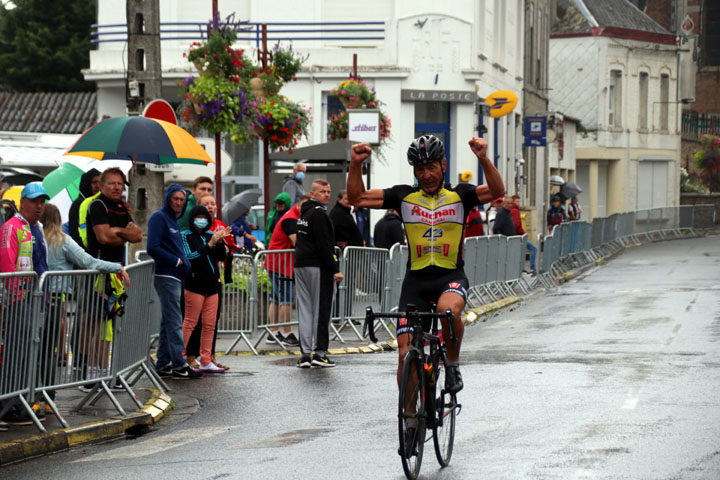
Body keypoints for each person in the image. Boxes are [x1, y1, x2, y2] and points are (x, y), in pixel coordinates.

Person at [347, 135, 504, 393]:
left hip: (450, 277)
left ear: (443, 165)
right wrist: (355, 165)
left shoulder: (460, 195)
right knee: (403, 354)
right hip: (415, 283)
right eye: (420, 169)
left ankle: (452, 365)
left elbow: (497, 191)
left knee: (449, 311)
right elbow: (358, 198)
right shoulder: (403, 196)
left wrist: (483, 158)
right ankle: (410, 421)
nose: (427, 174)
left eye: (432, 167)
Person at [42, 203, 131, 394]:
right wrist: (117, 267)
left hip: (37, 296)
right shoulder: (62, 240)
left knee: (39, 346)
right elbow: (88, 261)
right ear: (58, 218)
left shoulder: (38, 238)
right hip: (56, 297)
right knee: (51, 348)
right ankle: (47, 395)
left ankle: (38, 392)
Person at [0, 182, 50, 426]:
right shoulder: (12, 227)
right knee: (15, 355)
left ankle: (21, 401)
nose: (39, 206)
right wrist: (15, 299)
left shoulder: (36, 228)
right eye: (34, 201)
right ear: (23, 202)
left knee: (28, 354)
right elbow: (7, 265)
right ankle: (10, 406)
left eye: (42, 201)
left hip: (36, 300)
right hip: (19, 302)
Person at [147, 184, 201, 380]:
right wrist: (176, 261)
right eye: (175, 199)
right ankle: (179, 364)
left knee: (168, 321)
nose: (179, 203)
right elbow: (152, 247)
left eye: (181, 200)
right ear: (168, 198)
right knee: (175, 321)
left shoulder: (172, 220)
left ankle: (163, 363)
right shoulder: (159, 218)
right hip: (167, 275)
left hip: (175, 276)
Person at [184, 194, 238, 371]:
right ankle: (183, 357)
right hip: (194, 284)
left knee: (210, 324)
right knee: (190, 322)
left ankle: (206, 359)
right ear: (192, 219)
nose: (202, 221)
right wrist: (210, 243)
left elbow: (221, 256)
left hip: (212, 285)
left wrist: (220, 243)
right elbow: (192, 257)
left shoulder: (211, 234)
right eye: (198, 218)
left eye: (204, 218)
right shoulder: (185, 235)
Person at [294, 179, 344, 368]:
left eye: (328, 191)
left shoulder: (303, 214)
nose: (327, 195)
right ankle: (320, 353)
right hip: (318, 267)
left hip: (300, 265)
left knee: (305, 310)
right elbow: (325, 245)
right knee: (322, 310)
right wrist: (335, 269)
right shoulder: (320, 215)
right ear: (312, 194)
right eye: (322, 191)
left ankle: (305, 355)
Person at [264, 195, 308, 346]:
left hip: (277, 263)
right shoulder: (290, 220)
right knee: (286, 300)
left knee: (276, 299)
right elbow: (297, 242)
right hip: (281, 264)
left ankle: (273, 332)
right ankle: (287, 333)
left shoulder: (291, 216)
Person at [68, 168, 100, 249]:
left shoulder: (100, 203)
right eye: (94, 182)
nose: (97, 186)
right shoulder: (78, 204)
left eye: (99, 182)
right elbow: (75, 233)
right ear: (86, 183)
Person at [510, 195, 537, 273]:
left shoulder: (514, 209)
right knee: (533, 248)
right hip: (518, 235)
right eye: (517, 201)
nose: (518, 203)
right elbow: (517, 225)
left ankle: (520, 268)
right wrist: (524, 233)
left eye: (519, 201)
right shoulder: (514, 210)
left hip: (516, 235)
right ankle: (532, 268)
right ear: (513, 202)